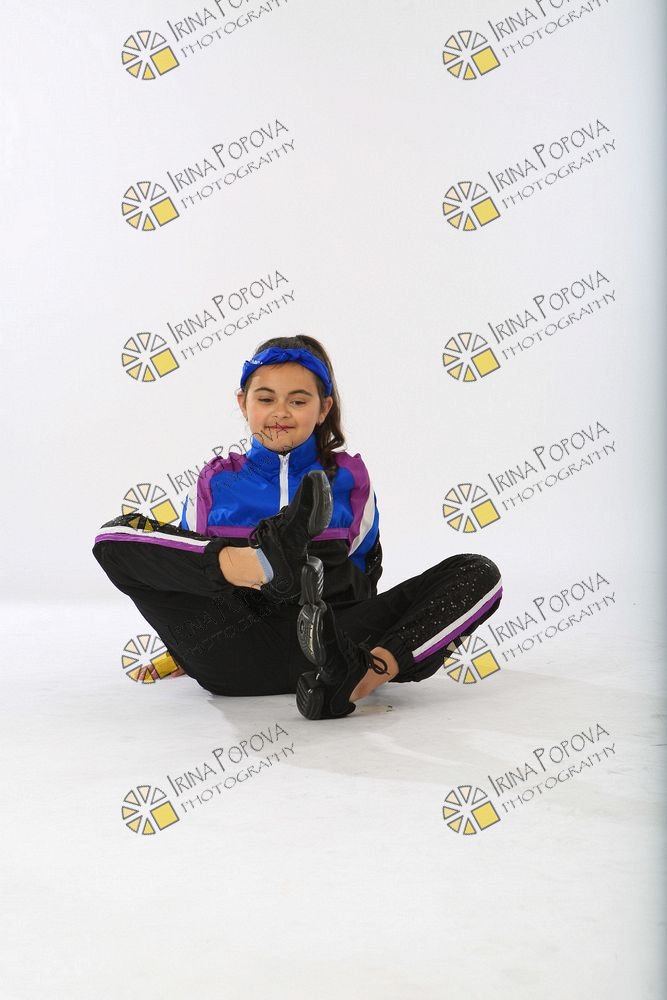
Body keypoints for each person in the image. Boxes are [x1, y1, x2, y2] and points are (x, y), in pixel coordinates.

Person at [92, 334, 503, 720]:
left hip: (332, 651)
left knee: (478, 572)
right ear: (243, 403)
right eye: (266, 398)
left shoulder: (350, 479)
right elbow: (184, 572)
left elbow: (364, 572)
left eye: (298, 400)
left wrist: (373, 640)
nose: (280, 412)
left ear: (323, 409)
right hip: (239, 651)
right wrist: (183, 646)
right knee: (113, 539)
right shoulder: (216, 481)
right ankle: (263, 562)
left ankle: (357, 682)